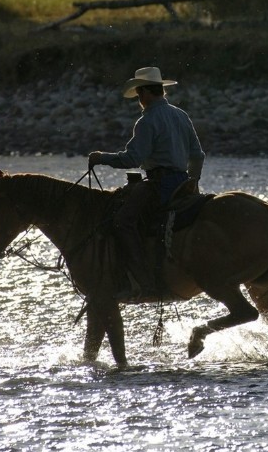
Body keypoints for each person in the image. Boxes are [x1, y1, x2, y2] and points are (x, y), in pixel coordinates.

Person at [88, 66, 205, 295]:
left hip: (159, 184)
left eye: (139, 94)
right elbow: (197, 155)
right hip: (182, 182)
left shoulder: (147, 121)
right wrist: (194, 181)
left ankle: (143, 279)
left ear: (146, 93)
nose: (139, 99)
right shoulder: (181, 115)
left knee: (122, 221)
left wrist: (101, 157)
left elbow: (133, 158)